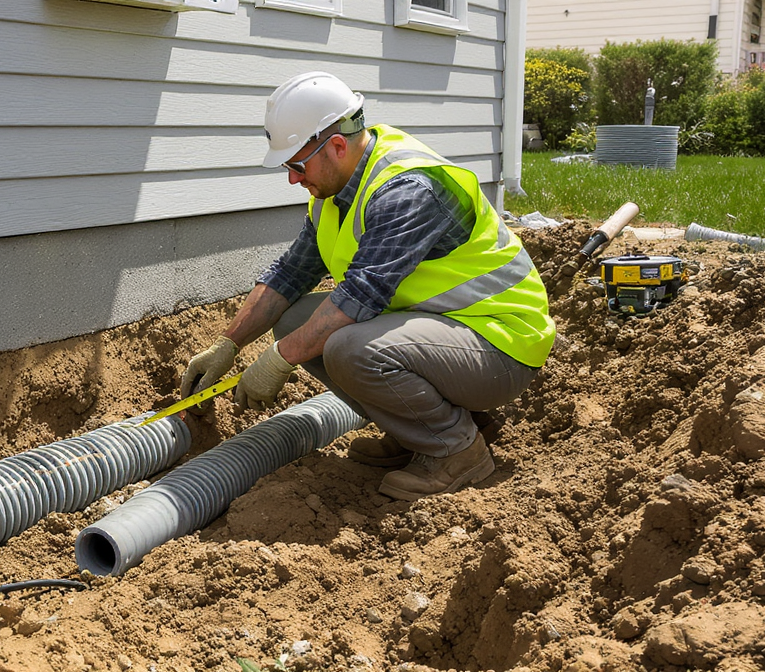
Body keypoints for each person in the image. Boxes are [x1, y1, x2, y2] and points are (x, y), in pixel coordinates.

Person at [178, 72, 555, 501]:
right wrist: (229, 344)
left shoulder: (406, 189)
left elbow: (360, 296)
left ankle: (456, 452)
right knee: (294, 320)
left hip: (502, 345)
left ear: (337, 146)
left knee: (349, 346)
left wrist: (278, 361)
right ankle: (421, 431)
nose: (292, 179)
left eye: (296, 165)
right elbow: (290, 274)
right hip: (451, 337)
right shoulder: (336, 192)